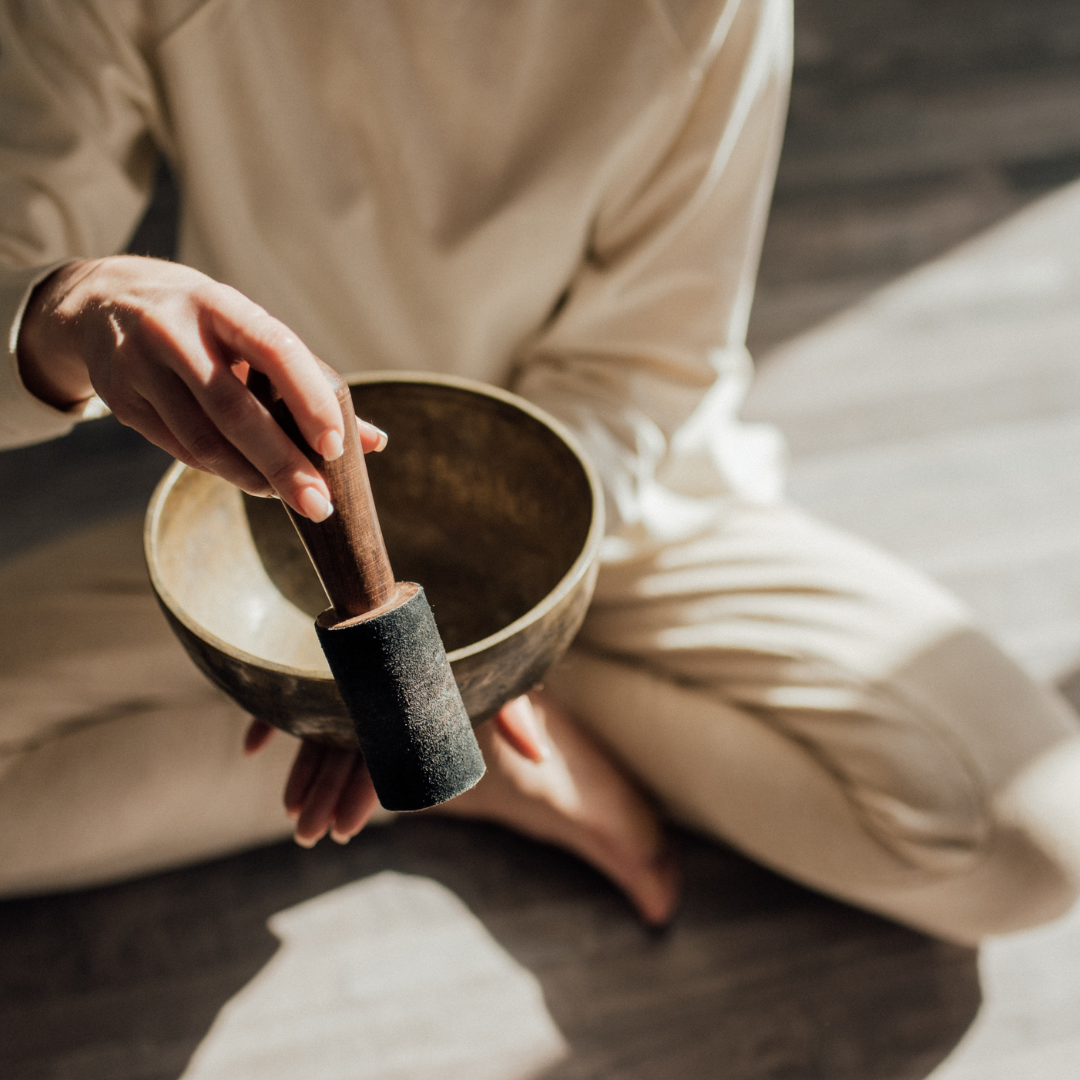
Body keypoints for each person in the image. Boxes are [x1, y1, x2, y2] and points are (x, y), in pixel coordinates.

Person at [3, 0, 1080, 943]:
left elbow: (639, 369)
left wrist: (453, 658)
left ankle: (447, 733)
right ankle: (457, 763)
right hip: (292, 543)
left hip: (619, 512)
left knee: (1028, 842)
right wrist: (69, 308)